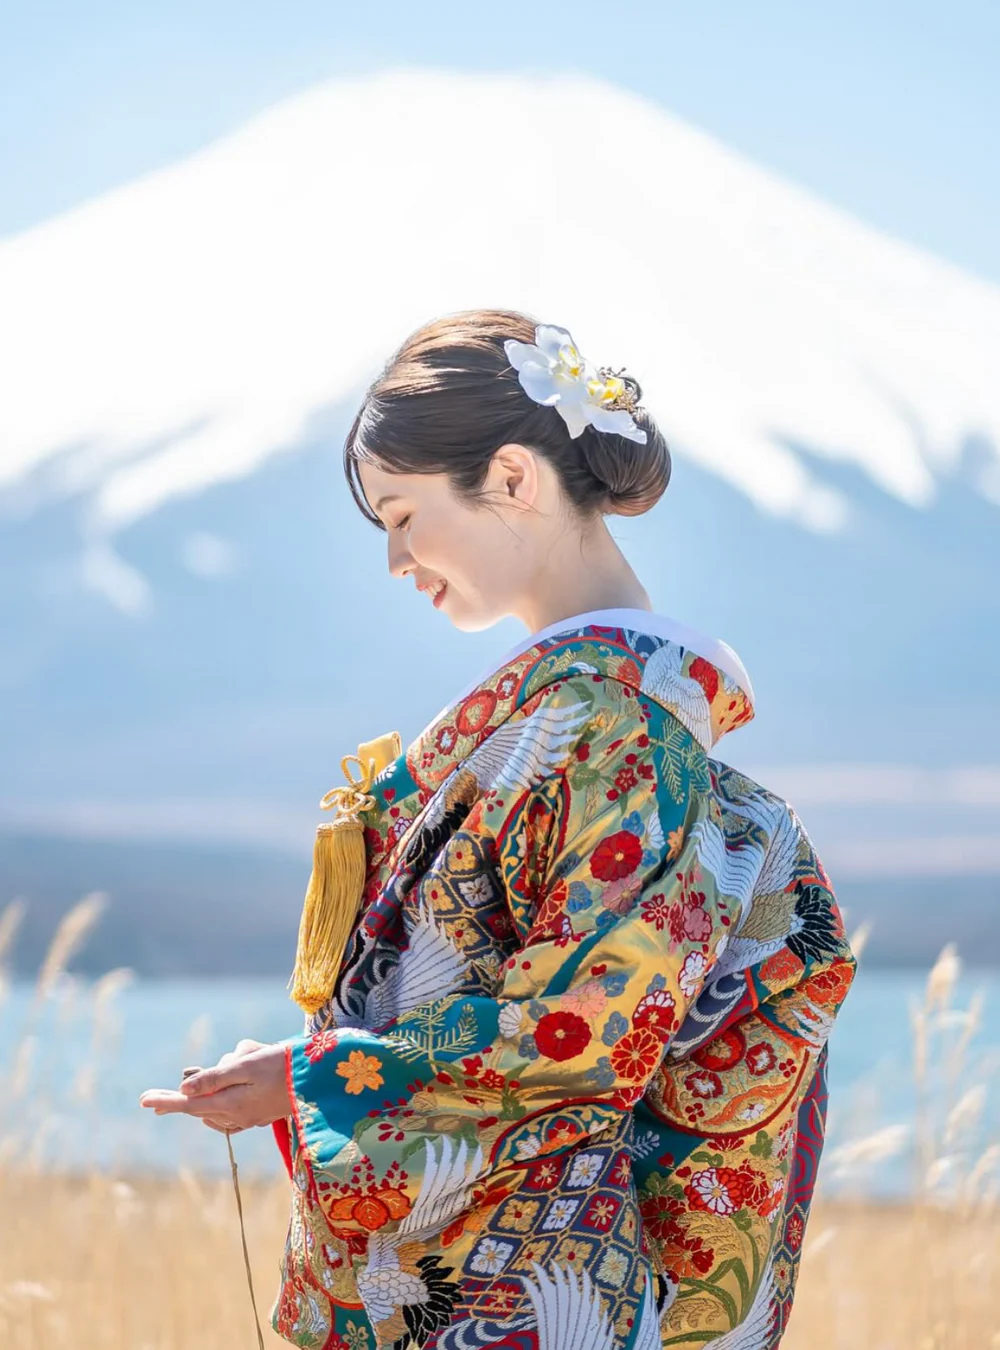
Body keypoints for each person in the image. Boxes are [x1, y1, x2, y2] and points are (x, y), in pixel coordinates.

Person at [141, 310, 856, 1349]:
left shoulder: (609, 725)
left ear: (513, 479)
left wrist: (318, 1079)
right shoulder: (584, 714)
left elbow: (579, 1033)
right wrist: (319, 1063)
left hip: (528, 1284)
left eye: (401, 515)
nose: (394, 560)